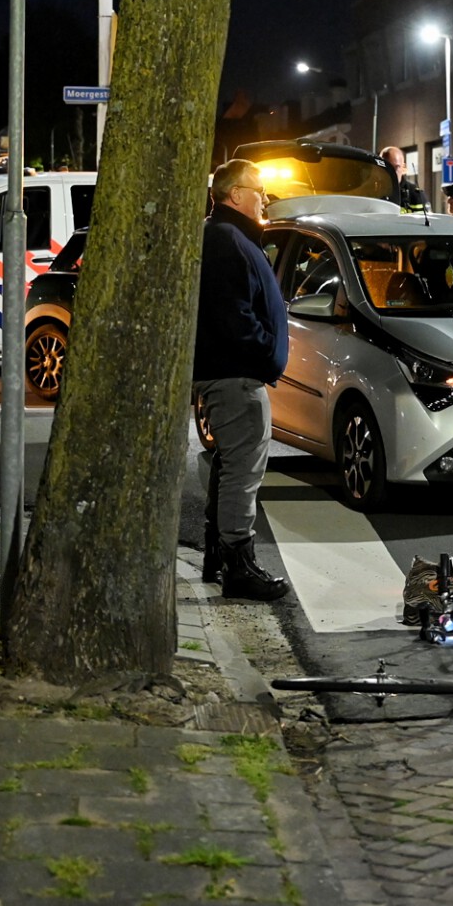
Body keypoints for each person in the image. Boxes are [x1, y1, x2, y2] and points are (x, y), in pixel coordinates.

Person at [193, 158, 291, 602]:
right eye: (258, 190)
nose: (265, 198)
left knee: (230, 466)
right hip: (236, 375)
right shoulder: (227, 240)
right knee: (242, 469)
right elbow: (234, 314)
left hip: (231, 370)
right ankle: (238, 564)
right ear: (235, 195)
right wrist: (267, 348)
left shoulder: (227, 237)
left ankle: (220, 555)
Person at [380, 146, 427, 212]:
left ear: (403, 168)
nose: (391, 172)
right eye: (386, 168)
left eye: (396, 167)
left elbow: (424, 221)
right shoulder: (371, 192)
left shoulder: (415, 195)